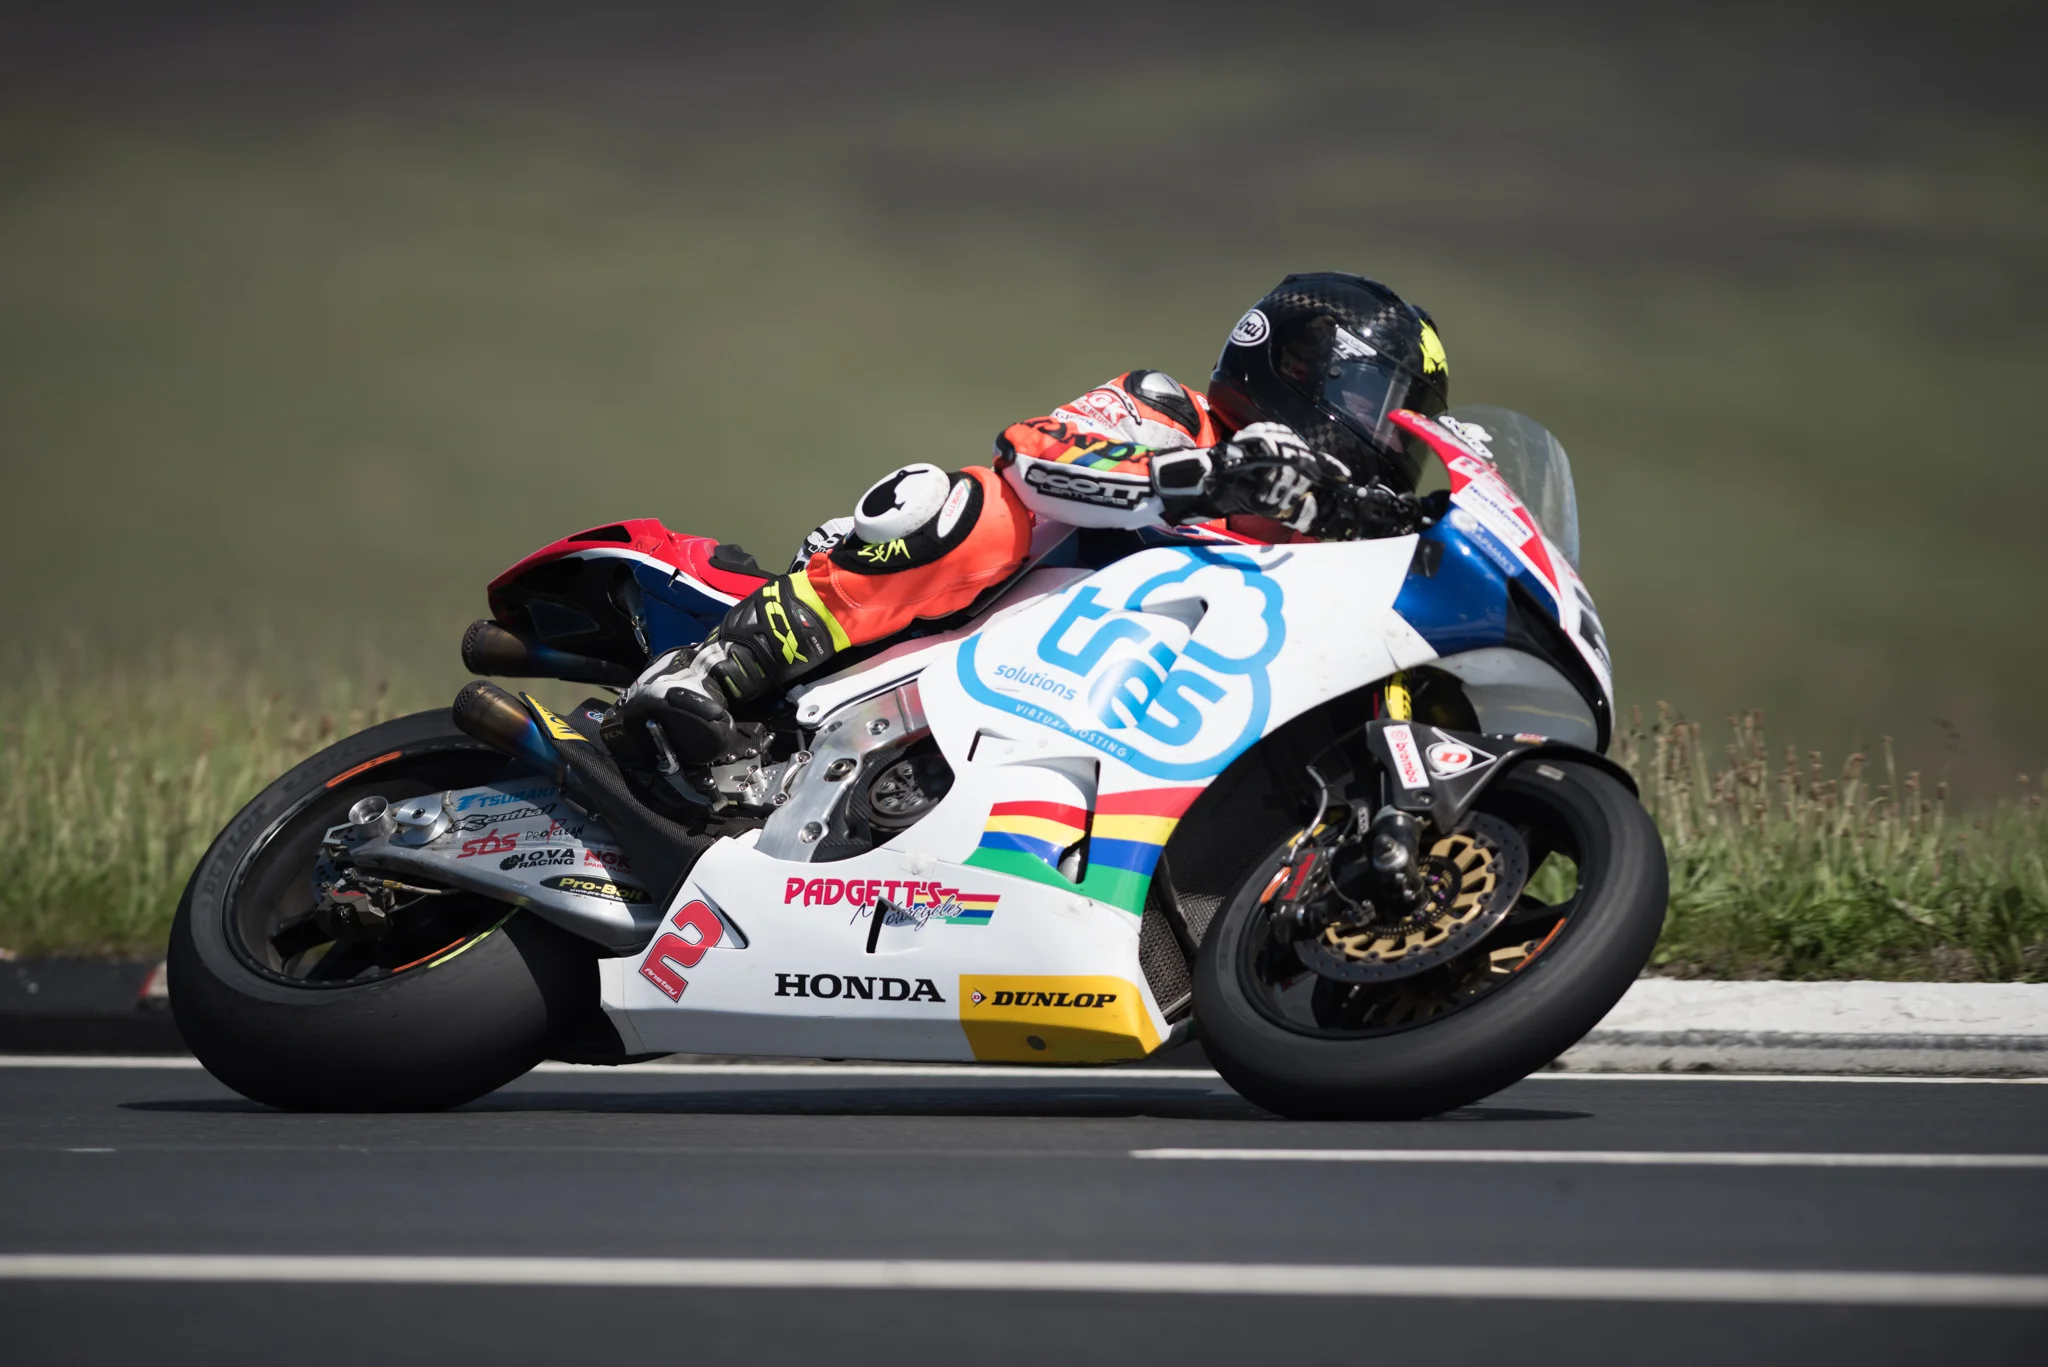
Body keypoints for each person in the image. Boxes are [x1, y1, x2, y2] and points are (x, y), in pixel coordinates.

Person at [610, 272, 1450, 775]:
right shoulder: (1170, 411)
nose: (1385, 441)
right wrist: (1212, 480)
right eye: (1374, 406)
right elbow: (1035, 458)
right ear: (1295, 365)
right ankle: (711, 671)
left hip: (1107, 725)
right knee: (967, 505)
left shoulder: (1331, 545)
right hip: (958, 634)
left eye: (1406, 429)